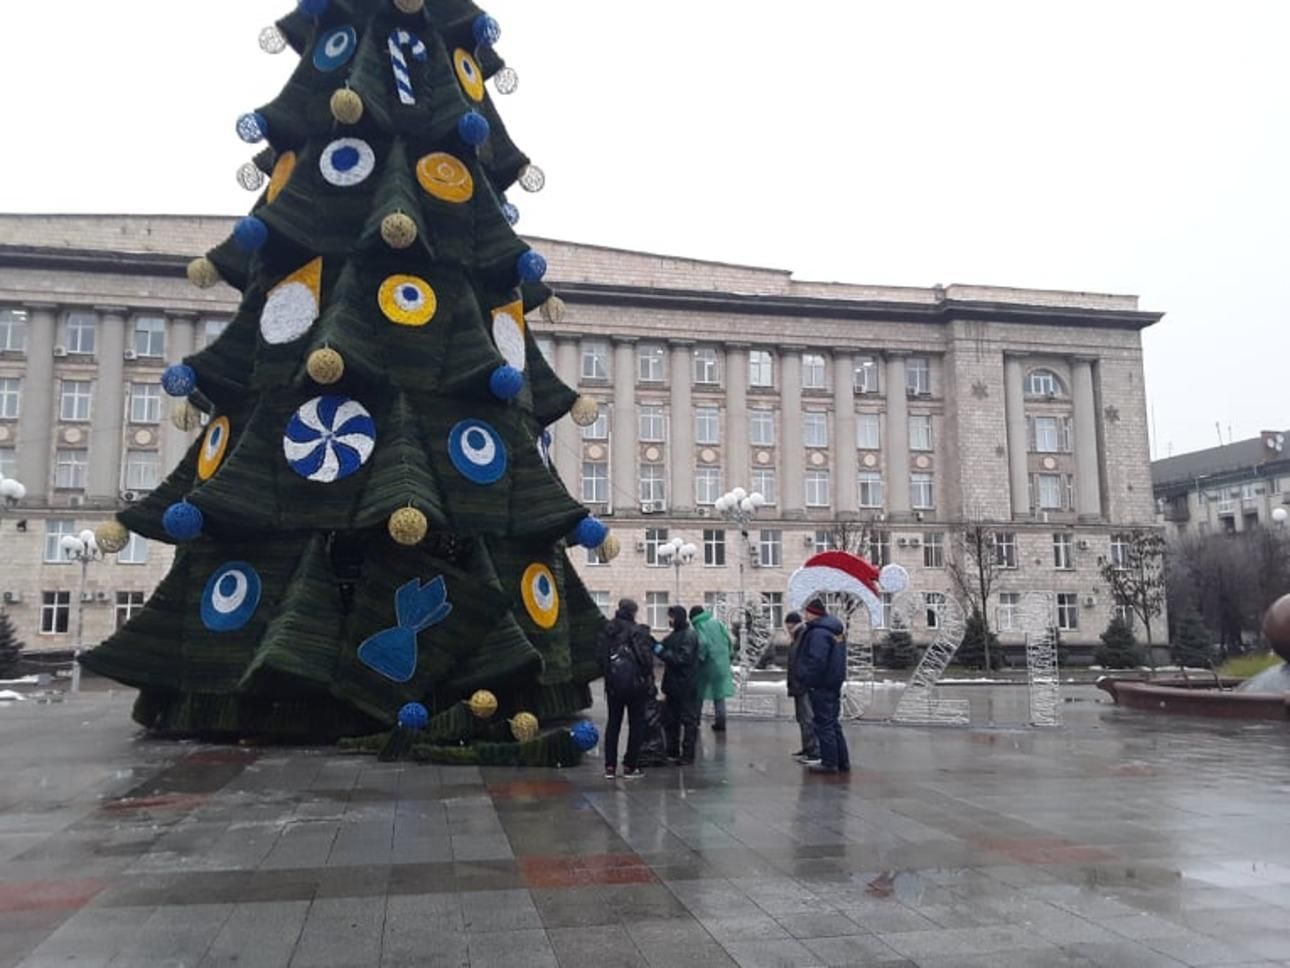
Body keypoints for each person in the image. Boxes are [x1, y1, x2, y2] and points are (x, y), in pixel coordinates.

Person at [596, 598, 656, 779]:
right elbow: (646, 660)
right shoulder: (638, 631)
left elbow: (600, 657)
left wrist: (609, 675)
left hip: (614, 686)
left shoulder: (608, 629)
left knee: (613, 723)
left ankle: (610, 767)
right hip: (636, 686)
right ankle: (630, 766)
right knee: (636, 724)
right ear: (633, 612)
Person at [796, 598, 849, 774]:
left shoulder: (818, 633)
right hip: (832, 683)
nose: (804, 616)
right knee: (833, 723)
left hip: (821, 684)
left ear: (813, 613)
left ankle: (829, 763)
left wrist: (807, 680)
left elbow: (816, 660)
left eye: (806, 612)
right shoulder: (833, 630)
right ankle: (842, 761)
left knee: (824, 724)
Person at [656, 605, 700, 764]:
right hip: (674, 685)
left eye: (672, 617)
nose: (669, 620)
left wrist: (661, 651)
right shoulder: (676, 635)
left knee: (688, 720)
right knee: (671, 720)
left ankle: (688, 755)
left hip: (685, 685)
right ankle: (672, 751)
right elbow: (664, 646)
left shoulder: (689, 636)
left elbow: (682, 659)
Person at [784, 612, 821, 766]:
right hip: (798, 684)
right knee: (802, 718)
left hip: (803, 684)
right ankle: (807, 748)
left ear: (792, 624)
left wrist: (802, 679)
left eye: (788, 624)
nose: (786, 628)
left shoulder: (802, 635)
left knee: (807, 718)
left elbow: (804, 660)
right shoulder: (798, 636)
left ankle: (814, 751)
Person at [690, 605, 734, 733]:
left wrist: (699, 658)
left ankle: (695, 720)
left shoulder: (700, 625)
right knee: (719, 694)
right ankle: (721, 723)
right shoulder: (717, 623)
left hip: (708, 664)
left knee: (698, 692)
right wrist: (728, 655)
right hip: (722, 663)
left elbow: (702, 643)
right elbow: (729, 640)